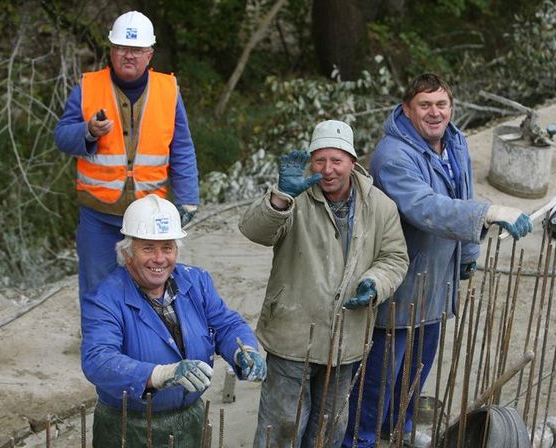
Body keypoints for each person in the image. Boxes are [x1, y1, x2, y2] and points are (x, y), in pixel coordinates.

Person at [342, 73, 533, 447]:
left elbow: (464, 190)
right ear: (406, 110)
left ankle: (398, 428)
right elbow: (425, 208)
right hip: (400, 282)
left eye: (441, 104)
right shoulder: (392, 156)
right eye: (424, 105)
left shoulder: (454, 141)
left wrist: (469, 255)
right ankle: (360, 440)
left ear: (451, 107)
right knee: (380, 376)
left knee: (416, 369)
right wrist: (489, 212)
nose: (435, 112)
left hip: (436, 281)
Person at [239, 120, 409, 447]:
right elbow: (254, 232)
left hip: (347, 339)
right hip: (293, 335)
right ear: (310, 163)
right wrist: (280, 198)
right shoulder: (295, 199)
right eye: (319, 161)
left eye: (337, 160)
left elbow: (395, 257)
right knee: (281, 427)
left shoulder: (380, 206)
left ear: (353, 162)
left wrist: (375, 283)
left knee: (327, 430)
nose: (328, 170)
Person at [81, 194, 266, 447]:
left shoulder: (196, 281)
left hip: (190, 420)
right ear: (127, 253)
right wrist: (161, 374)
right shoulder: (105, 298)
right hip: (129, 427)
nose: (159, 259)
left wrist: (242, 351)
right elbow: (98, 360)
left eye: (167, 247)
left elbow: (226, 324)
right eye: (148, 248)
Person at [55, 11, 199, 300]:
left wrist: (188, 199)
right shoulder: (87, 87)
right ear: (111, 51)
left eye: (136, 50)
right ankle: (99, 345)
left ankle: (138, 344)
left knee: (148, 289)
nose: (128, 55)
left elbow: (181, 147)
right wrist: (88, 132)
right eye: (122, 48)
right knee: (96, 289)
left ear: (149, 54)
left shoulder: (168, 91)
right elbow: (61, 136)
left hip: (148, 215)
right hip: (98, 215)